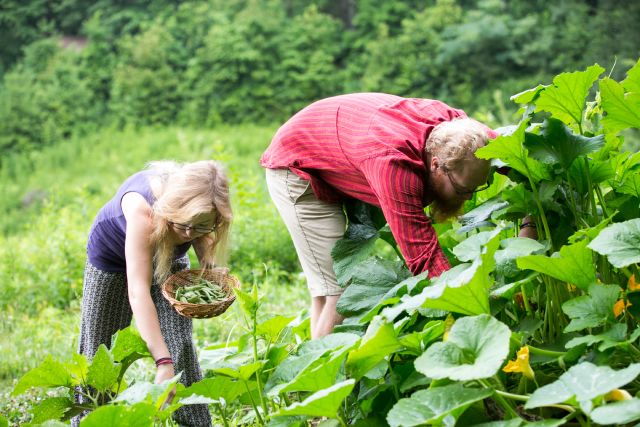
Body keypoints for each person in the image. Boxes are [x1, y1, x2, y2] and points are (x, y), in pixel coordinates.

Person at [261, 93, 498, 339]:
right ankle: (319, 365)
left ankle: (317, 350)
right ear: (436, 165)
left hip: (339, 142)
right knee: (341, 288)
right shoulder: (395, 168)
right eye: (462, 190)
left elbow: (515, 149)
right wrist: (476, 318)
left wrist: (529, 224)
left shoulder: (465, 133)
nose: (470, 197)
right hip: (296, 165)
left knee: (326, 288)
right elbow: (424, 258)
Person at [72, 160, 232, 427]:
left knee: (179, 344)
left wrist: (208, 261)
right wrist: (162, 361)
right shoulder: (142, 211)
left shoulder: (200, 209)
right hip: (112, 262)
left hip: (166, 256)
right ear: (173, 208)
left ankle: (196, 424)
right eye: (183, 224)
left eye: (201, 225)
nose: (190, 233)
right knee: (100, 353)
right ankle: (89, 422)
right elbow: (138, 291)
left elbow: (199, 232)